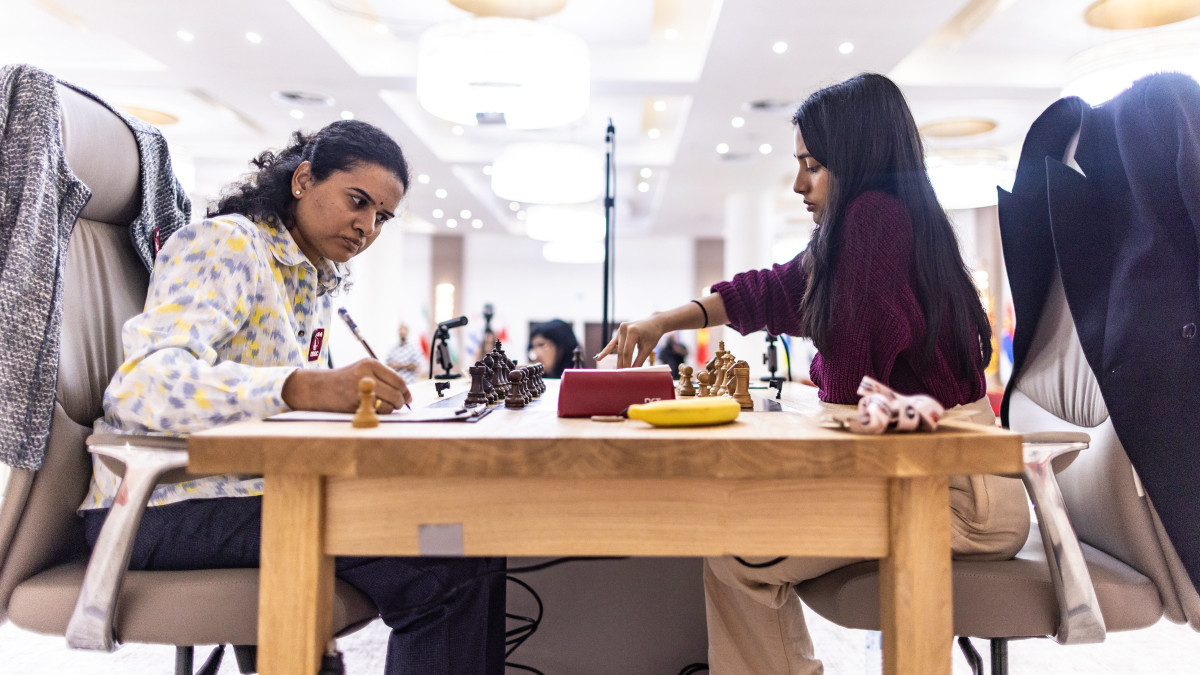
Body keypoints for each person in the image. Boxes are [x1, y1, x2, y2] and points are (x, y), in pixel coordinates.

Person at [595, 73, 1029, 674]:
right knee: (740, 538)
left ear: (856, 160)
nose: (799, 183)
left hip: (952, 498)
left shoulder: (873, 223)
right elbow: (776, 289)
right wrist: (665, 320)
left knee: (737, 550)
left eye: (813, 165)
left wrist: (815, 359)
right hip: (953, 483)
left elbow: (846, 388)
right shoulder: (889, 220)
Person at [78, 120, 505, 674]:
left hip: (244, 491)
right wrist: (304, 386)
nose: (367, 227)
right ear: (303, 179)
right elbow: (145, 387)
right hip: (164, 503)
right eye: (357, 201)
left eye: (382, 216)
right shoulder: (228, 243)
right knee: (450, 563)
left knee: (469, 533)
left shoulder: (311, 281)